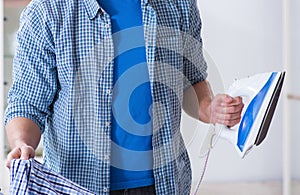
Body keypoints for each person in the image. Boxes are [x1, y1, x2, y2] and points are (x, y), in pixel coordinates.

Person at [5, 0, 244, 194]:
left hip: (164, 183)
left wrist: (209, 107)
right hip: (76, 183)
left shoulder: (179, 5)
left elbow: (192, 81)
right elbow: (27, 102)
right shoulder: (46, 11)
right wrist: (21, 143)